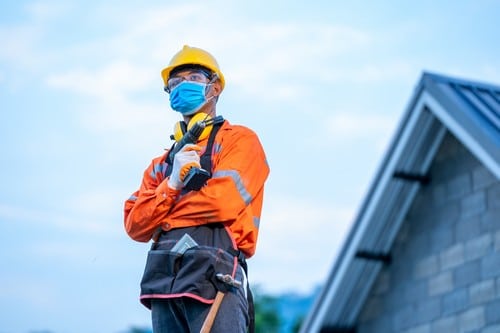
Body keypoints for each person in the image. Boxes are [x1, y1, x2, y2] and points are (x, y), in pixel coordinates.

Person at [124, 45, 269, 333]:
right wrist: (173, 183)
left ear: (215, 87)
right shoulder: (161, 164)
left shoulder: (239, 141)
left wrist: (164, 210)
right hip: (165, 282)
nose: (182, 86)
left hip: (217, 277)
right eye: (175, 83)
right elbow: (135, 225)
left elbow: (222, 203)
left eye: (192, 78)